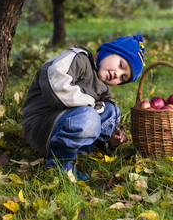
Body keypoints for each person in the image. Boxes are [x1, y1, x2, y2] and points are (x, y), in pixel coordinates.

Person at [22, 34, 146, 180]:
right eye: (120, 65)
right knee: (89, 116)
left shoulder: (101, 87)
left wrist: (111, 138)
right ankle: (59, 164)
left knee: (111, 111)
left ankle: (79, 149)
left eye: (123, 78)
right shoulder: (78, 58)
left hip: (61, 124)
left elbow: (101, 115)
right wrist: (91, 105)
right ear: (109, 51)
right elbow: (55, 83)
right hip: (40, 124)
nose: (117, 74)